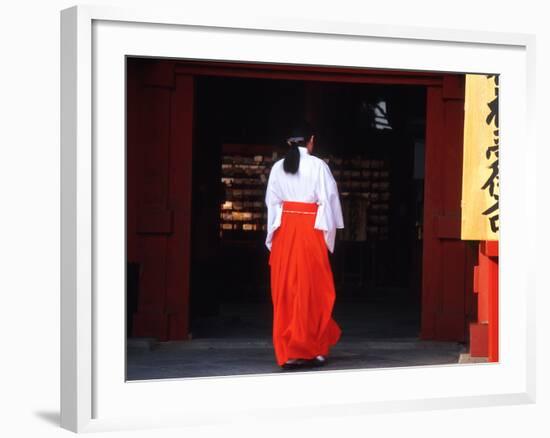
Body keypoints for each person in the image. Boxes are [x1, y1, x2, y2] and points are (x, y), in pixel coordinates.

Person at [265, 125, 344, 370]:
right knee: (315, 290)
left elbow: (272, 204)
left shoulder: (278, 168)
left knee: (286, 291)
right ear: (311, 141)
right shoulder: (318, 166)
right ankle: (315, 348)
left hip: (286, 231)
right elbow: (329, 201)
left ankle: (289, 351)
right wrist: (328, 235)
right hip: (310, 230)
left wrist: (274, 236)